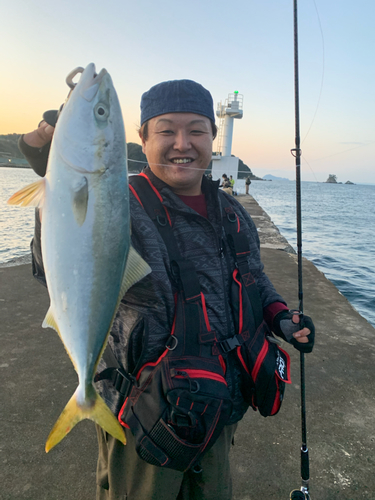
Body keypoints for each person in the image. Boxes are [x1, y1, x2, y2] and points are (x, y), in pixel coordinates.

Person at [20, 78, 315, 500]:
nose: (183, 143)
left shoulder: (231, 211)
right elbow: (53, 263)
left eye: (196, 130)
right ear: (142, 139)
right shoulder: (119, 204)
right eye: (166, 130)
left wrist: (281, 317)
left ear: (213, 137)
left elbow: (254, 278)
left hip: (218, 409)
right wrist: (51, 162)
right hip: (143, 415)